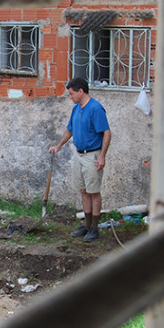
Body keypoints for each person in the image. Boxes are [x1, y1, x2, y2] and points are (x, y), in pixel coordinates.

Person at [48, 77, 111, 242]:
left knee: (94, 192)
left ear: (81, 91)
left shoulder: (96, 109)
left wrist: (102, 156)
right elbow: (70, 130)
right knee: (83, 191)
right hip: (79, 154)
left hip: (93, 155)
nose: (70, 97)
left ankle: (95, 228)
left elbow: (106, 132)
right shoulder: (77, 108)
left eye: (71, 93)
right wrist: (58, 145)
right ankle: (87, 225)